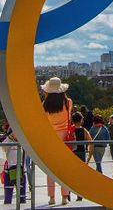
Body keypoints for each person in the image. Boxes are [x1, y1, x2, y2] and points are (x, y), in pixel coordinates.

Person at [40, 77, 74, 206]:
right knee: (64, 169)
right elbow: (68, 117)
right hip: (65, 137)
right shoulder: (67, 102)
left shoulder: (44, 104)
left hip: (50, 137)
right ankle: (65, 196)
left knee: (51, 170)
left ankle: (51, 197)